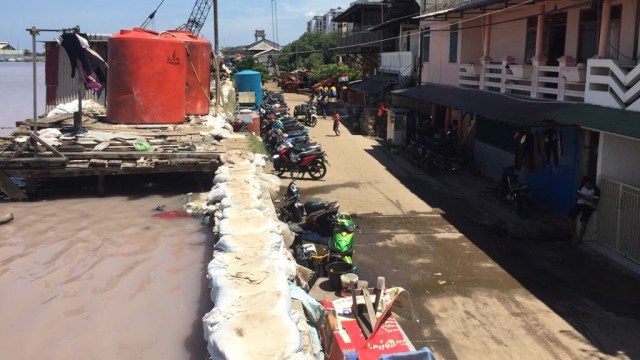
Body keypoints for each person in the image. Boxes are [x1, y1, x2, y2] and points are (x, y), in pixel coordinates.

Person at [567, 176, 600, 244]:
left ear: (592, 184)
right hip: (580, 203)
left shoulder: (596, 190)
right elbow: (577, 195)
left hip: (589, 206)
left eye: (588, 185)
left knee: (584, 222)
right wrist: (581, 197)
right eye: (585, 185)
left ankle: (580, 239)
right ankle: (574, 235)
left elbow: (595, 201)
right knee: (570, 217)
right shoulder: (581, 187)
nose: (586, 186)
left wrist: (585, 198)